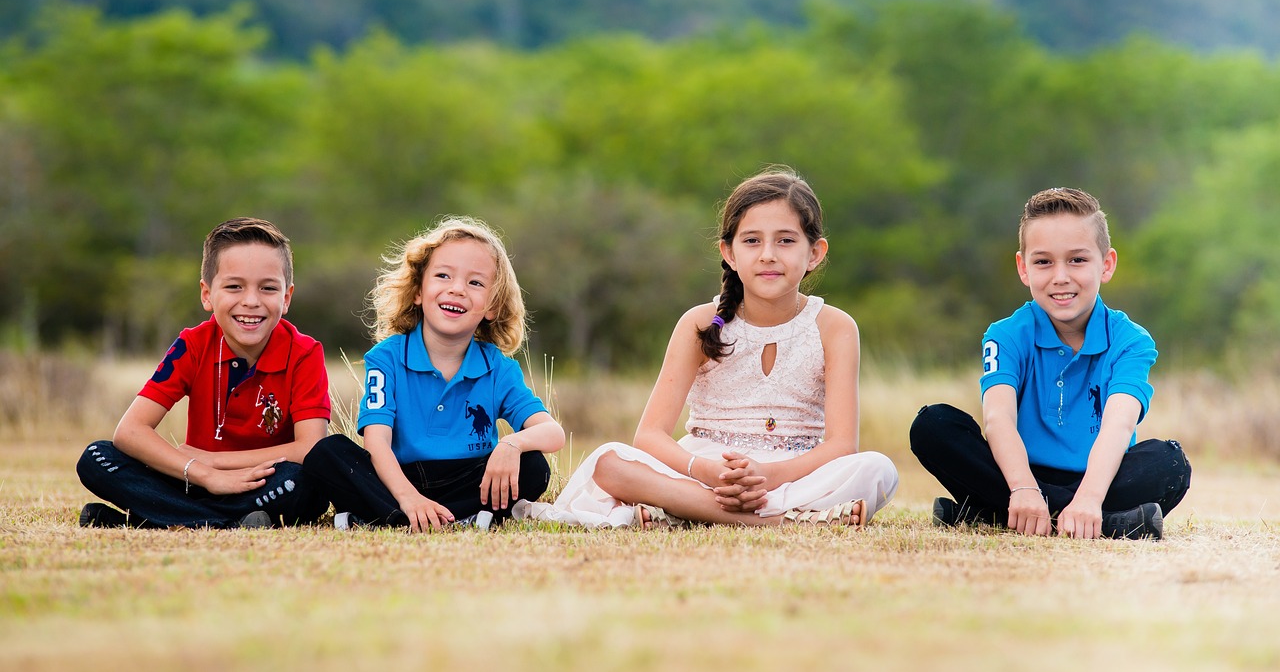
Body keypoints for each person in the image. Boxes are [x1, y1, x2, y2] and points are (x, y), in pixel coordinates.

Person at [517, 167, 899, 529]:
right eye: (752, 241)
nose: (768, 254)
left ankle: (686, 511)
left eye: (785, 240)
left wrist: (767, 476)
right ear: (730, 253)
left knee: (877, 469)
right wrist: (706, 471)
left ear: (814, 252)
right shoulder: (700, 323)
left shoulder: (835, 327)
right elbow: (649, 436)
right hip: (705, 470)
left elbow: (841, 445)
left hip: (795, 471)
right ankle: (784, 520)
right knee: (610, 463)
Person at [910, 187, 1192, 540]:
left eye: (1077, 260)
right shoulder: (1006, 334)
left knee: (1171, 464)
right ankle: (1105, 522)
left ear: (1106, 264)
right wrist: (1025, 490)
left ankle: (994, 514)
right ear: (1023, 268)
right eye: (1043, 262)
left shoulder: (1131, 340)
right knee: (932, 426)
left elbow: (1118, 426)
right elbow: (998, 420)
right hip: (1015, 474)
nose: (1060, 277)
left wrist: (1088, 497)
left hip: (1099, 478)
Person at [303, 217, 565, 531]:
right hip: (396, 478)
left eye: (475, 283)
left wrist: (511, 446)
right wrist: (410, 497)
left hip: (468, 480)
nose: (457, 289)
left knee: (534, 466)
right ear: (418, 291)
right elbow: (377, 444)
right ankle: (414, 515)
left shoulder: (498, 368)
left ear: (492, 306)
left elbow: (553, 433)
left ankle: (390, 518)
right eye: (443, 276)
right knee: (327, 454)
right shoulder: (386, 358)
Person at [77, 218, 331, 529]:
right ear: (207, 294)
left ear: (286, 297)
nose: (251, 301)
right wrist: (204, 474)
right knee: (97, 458)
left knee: (303, 483)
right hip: (195, 481)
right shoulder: (192, 345)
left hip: (263, 483)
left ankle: (158, 519)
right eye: (234, 286)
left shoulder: (304, 353)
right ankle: (224, 523)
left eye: (267, 288)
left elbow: (310, 448)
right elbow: (130, 432)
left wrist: (216, 462)